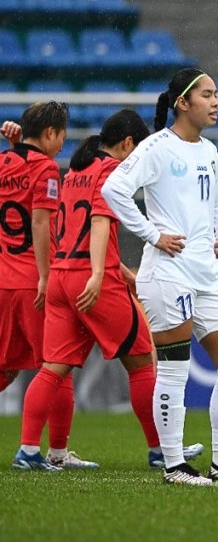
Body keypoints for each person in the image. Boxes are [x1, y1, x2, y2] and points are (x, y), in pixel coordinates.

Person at [13, 110, 203, 471]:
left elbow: (74, 231)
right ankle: (161, 449)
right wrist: (101, 274)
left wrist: (122, 273)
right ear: (128, 144)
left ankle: (28, 450)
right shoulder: (112, 171)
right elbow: (99, 223)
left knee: (52, 369)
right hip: (92, 280)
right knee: (141, 361)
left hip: (61, 276)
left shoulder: (75, 172)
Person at [102, 68, 218, 486]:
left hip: (206, 274)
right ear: (182, 103)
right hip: (168, 274)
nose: (215, 102)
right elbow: (113, 189)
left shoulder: (208, 150)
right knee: (175, 370)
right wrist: (152, 234)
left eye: (216, 94)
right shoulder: (156, 147)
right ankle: (174, 465)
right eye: (206, 95)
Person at [0, 102, 97, 470]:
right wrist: (45, 275)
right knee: (57, 363)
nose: (63, 143)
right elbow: (40, 223)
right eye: (61, 135)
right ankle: (55, 451)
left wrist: (13, 146)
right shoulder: (45, 168)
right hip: (32, 281)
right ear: (51, 133)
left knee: (5, 368)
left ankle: (53, 451)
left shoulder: (3, 161)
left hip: (4, 279)